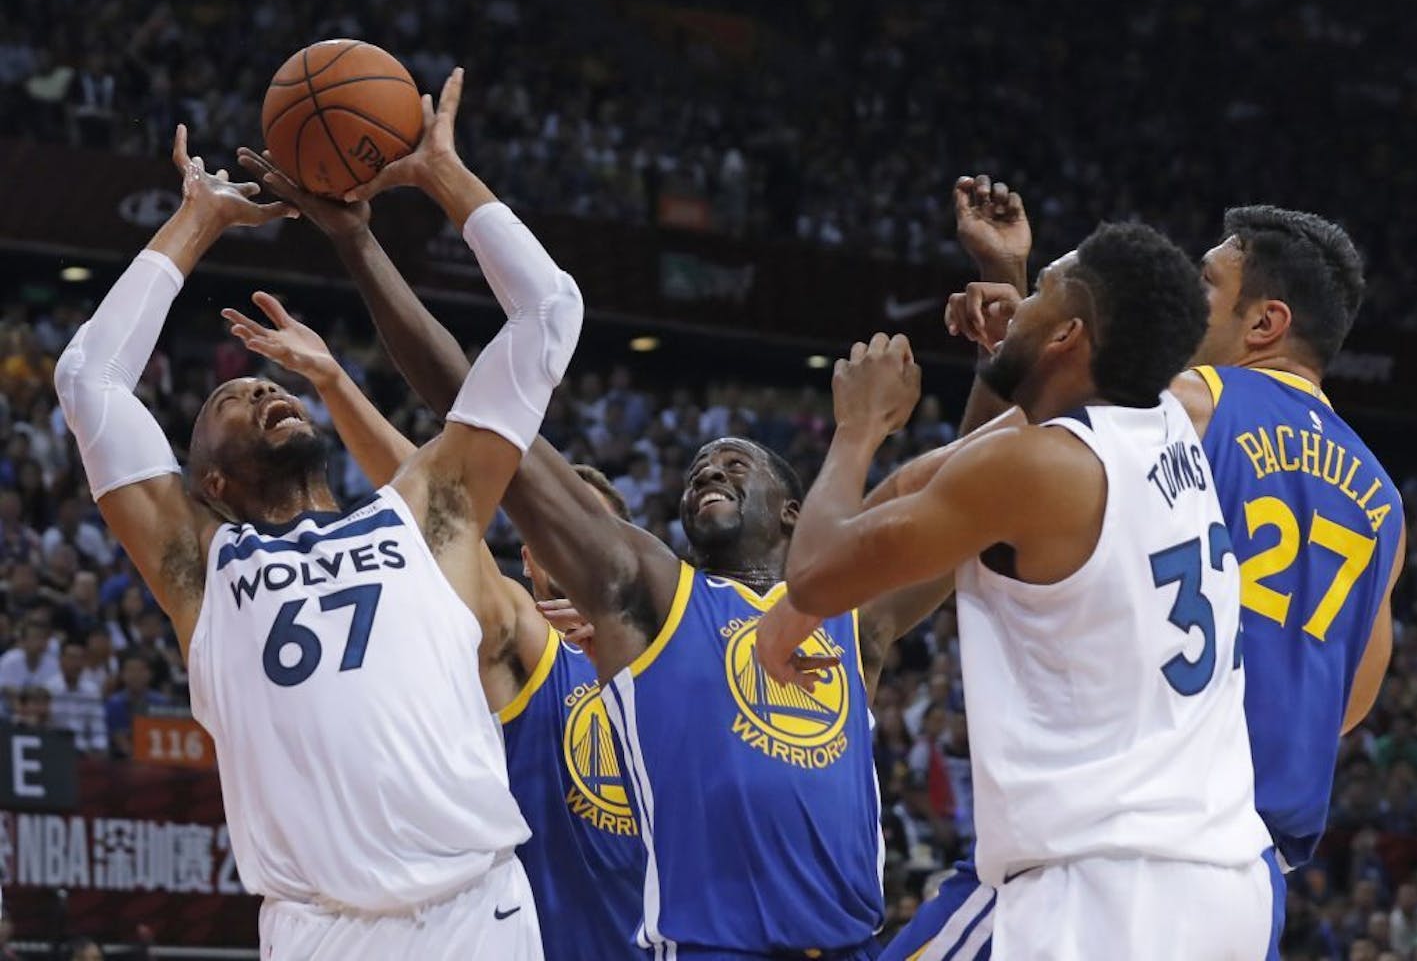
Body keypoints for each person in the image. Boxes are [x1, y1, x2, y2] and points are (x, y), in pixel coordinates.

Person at [251, 133, 953, 961]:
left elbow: (975, 503)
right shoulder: (651, 598)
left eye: (734, 464)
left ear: (793, 510)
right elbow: (473, 419)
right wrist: (359, 245)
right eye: (696, 468)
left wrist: (1006, 312)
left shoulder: (849, 615)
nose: (708, 472)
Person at [55, 64, 582, 958]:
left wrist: (443, 172)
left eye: (262, 383)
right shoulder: (201, 569)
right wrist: (200, 219)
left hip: (474, 910)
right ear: (210, 483)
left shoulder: (425, 515)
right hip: (317, 930)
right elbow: (87, 380)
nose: (258, 388)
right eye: (230, 403)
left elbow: (549, 314)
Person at [882, 176, 1406, 961]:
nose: (1188, 305)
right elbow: (1348, 701)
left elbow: (990, 477)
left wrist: (1026, 322)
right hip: (1246, 886)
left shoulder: (1190, 401)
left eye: (1207, 287)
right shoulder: (1386, 505)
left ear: (1265, 322)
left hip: (1122, 843)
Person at [762, 224, 1276, 959]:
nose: (1018, 304)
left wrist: (857, 428)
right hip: (1224, 882)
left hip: (1105, 897)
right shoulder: (1163, 416)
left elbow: (813, 571)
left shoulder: (1044, 469)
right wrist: (788, 625)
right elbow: (925, 484)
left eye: (1038, 292)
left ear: (1068, 334)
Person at [221, 264, 647, 961]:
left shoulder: (672, 648)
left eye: (585, 533)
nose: (563, 549)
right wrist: (334, 383)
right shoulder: (522, 635)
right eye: (550, 536)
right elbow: (422, 504)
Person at [45, 638, 107, 753]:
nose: (76, 664)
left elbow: (98, 730)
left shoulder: (92, 691)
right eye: (72, 658)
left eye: (80, 659)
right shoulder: (49, 689)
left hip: (83, 752)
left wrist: (99, 749)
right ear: (61, 661)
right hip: (54, 750)